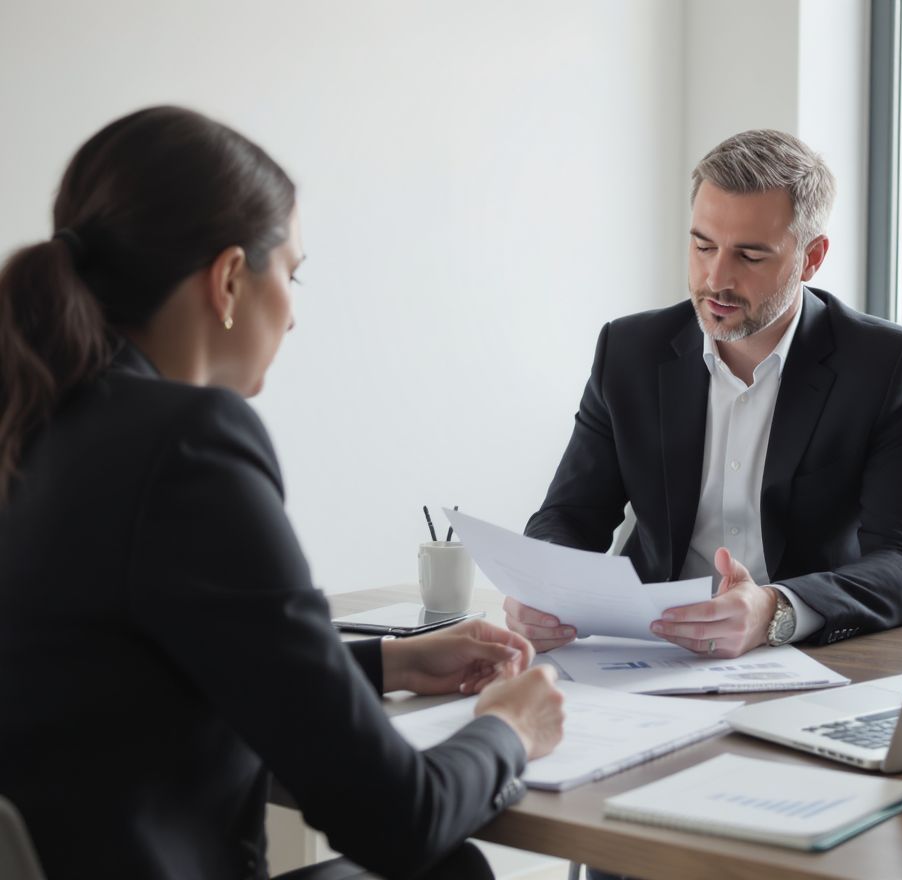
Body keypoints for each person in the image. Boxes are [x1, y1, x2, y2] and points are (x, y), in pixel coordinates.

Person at [0, 106, 564, 880]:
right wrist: (509, 730)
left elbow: (135, 674)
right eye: (291, 273)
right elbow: (398, 820)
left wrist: (390, 665)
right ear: (229, 279)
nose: (295, 312)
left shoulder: (35, 420)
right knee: (448, 870)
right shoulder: (188, 441)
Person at [508, 129, 902, 659]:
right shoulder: (629, 351)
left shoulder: (885, 366)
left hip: (805, 657)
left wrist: (775, 610)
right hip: (643, 654)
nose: (716, 279)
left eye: (751, 256)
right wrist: (541, 586)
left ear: (811, 258)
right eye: (703, 245)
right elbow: (569, 516)